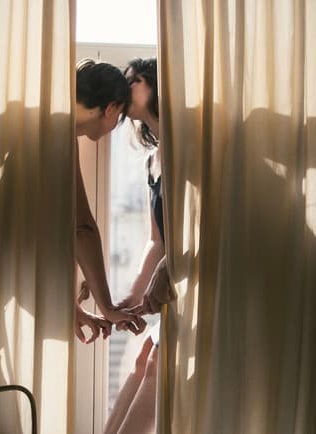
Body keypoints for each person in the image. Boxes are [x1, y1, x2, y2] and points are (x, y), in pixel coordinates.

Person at [104, 57, 176, 434]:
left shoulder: (190, 149)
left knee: (154, 369)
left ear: (153, 86)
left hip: (192, 287)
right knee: (142, 361)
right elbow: (157, 240)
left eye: (133, 80)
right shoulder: (152, 160)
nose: (126, 86)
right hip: (171, 287)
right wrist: (131, 296)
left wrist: (164, 274)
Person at [73, 59, 148, 344]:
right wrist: (107, 308)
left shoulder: (44, 122)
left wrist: (73, 308)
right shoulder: (57, 135)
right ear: (111, 108)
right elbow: (81, 227)